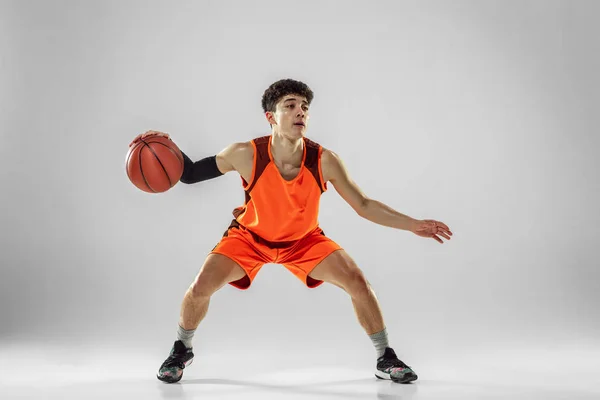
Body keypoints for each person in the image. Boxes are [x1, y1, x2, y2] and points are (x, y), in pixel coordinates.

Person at [129, 79, 453, 385]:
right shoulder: (245, 154)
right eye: (290, 105)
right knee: (200, 286)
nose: (301, 112)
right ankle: (182, 349)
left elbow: (364, 205)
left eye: (305, 107)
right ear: (271, 116)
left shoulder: (325, 160)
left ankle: (386, 357)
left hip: (304, 241)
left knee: (357, 281)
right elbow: (190, 174)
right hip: (249, 238)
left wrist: (414, 224)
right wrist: (163, 144)